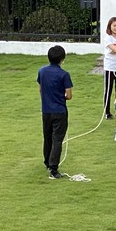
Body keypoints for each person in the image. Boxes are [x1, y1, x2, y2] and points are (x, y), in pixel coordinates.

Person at [37, 45, 73, 180]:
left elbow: (41, 90)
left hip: (46, 110)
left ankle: (47, 162)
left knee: (47, 137)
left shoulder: (42, 71)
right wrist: (60, 96)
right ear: (62, 59)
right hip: (60, 111)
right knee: (57, 139)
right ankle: (54, 168)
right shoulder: (64, 74)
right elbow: (69, 95)